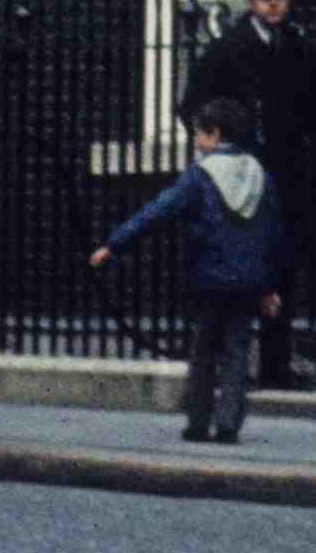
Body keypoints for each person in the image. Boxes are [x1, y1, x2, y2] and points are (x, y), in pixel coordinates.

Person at [90, 96, 283, 444]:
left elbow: (159, 211)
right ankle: (228, 424)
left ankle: (198, 421)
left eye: (199, 134)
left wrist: (114, 244)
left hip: (209, 278)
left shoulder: (200, 175)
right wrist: (269, 287)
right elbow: (270, 234)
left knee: (204, 349)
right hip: (249, 281)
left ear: (215, 133)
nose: (196, 142)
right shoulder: (260, 175)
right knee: (238, 351)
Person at [184, 0, 316, 388]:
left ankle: (275, 366)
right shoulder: (225, 50)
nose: (273, 3)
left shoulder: (300, 49)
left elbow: (311, 113)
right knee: (236, 266)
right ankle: (224, 367)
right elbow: (193, 106)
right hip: (236, 176)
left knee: (281, 263)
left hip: (283, 176)